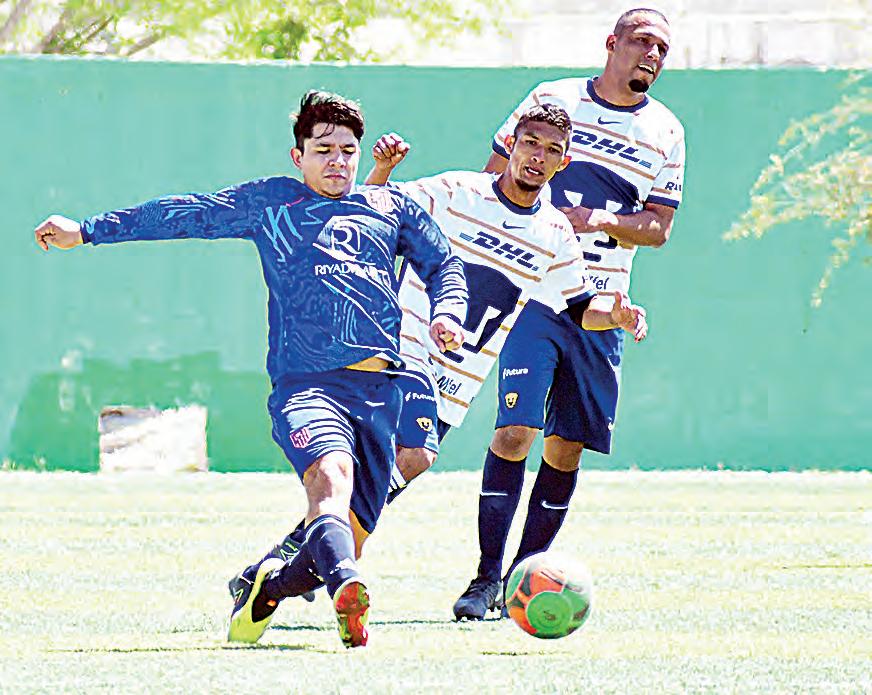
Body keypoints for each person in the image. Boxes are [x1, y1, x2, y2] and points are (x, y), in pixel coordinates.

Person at [33, 90, 468, 648]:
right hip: (308, 386)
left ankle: (269, 589)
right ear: (298, 157)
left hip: (381, 390)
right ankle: (349, 588)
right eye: (323, 150)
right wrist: (88, 230)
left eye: (347, 151)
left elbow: (444, 263)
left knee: (347, 534)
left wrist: (448, 311)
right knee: (330, 480)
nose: (337, 161)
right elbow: (187, 214)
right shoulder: (273, 203)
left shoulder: (391, 207)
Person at [230, 103, 649, 612]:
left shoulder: (555, 232)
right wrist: (382, 168)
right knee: (414, 455)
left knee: (380, 483)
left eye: (551, 151)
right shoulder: (457, 192)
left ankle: (276, 573)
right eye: (530, 144)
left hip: (459, 374)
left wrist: (616, 314)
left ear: (564, 163)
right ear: (511, 145)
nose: (538, 157)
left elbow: (580, 308)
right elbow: (371, 206)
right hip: (402, 344)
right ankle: (300, 565)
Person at [453, 7, 687, 620]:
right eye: (642, 42)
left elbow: (659, 228)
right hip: (534, 293)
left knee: (565, 449)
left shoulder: (666, 130)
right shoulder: (552, 98)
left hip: (602, 303)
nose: (652, 55)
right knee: (515, 432)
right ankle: (484, 579)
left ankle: (521, 581)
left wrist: (600, 220)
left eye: (662, 48)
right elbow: (494, 179)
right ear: (612, 42)